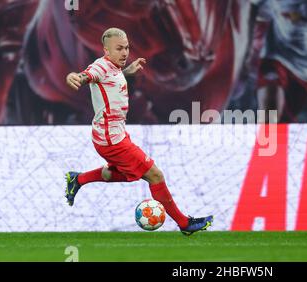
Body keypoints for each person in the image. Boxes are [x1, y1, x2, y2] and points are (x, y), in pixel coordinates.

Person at [64, 28, 213, 236]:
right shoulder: (99, 66)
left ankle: (78, 179)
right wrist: (75, 77)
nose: (124, 52)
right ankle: (184, 224)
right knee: (155, 175)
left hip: (112, 135)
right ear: (106, 50)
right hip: (111, 140)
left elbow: (109, 79)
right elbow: (87, 76)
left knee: (124, 173)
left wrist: (127, 72)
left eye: (126, 48)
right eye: (119, 48)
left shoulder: (113, 69)